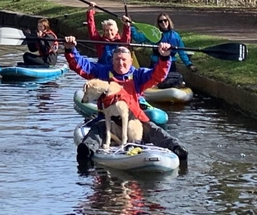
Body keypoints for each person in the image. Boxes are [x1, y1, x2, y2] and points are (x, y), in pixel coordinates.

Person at [63, 37, 188, 167]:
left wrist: (164, 57)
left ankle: (176, 147)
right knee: (98, 128)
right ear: (112, 61)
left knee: (154, 130)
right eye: (117, 59)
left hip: (133, 119)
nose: (120, 63)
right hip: (108, 119)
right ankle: (87, 149)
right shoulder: (102, 72)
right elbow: (81, 65)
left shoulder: (139, 75)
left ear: (130, 61)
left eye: (124, 60)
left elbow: (158, 75)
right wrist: (70, 49)